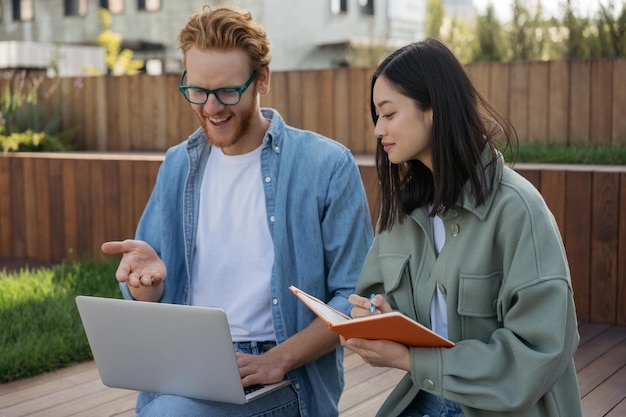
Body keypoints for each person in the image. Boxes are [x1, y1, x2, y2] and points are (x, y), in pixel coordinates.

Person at [101, 4, 373, 417]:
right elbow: (147, 291)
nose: (211, 107)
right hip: (184, 365)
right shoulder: (179, 164)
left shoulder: (326, 166)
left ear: (262, 79)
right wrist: (146, 285)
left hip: (281, 373)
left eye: (228, 91)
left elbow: (354, 298)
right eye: (197, 90)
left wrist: (277, 360)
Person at [340, 38, 582, 417]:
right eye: (376, 116)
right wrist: (380, 316)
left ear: (433, 110)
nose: (377, 130)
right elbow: (389, 301)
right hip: (426, 397)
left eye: (388, 114)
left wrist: (412, 360)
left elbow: (540, 351)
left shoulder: (517, 210)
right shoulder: (404, 212)